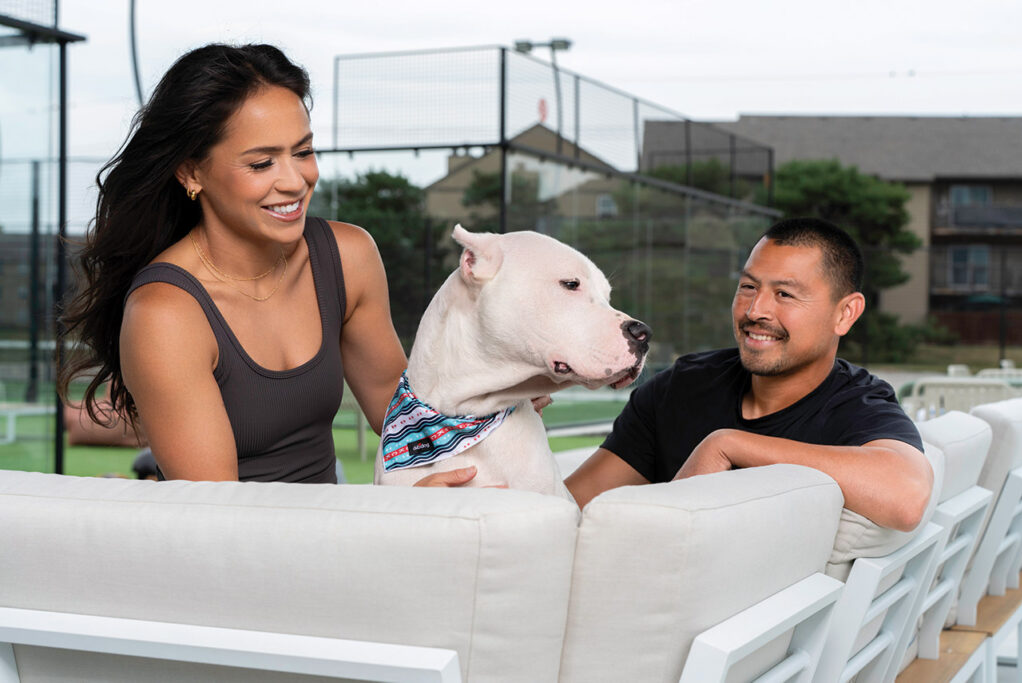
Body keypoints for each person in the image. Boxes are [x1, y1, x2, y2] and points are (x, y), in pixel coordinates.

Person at [57, 43, 468, 486]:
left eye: (304, 152)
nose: (295, 181)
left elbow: (400, 412)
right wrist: (385, 515)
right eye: (262, 163)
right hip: (240, 546)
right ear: (192, 173)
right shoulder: (166, 313)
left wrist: (491, 404)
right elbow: (220, 516)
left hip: (340, 535)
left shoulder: (349, 256)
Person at [564, 217, 933, 532]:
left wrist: (729, 444)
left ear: (845, 314)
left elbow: (906, 495)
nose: (755, 310)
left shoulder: (856, 405)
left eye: (785, 294)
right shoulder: (682, 387)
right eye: (748, 287)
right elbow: (572, 507)